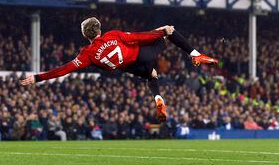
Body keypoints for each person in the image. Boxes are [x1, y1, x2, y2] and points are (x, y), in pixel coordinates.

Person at [20, 17, 218, 123]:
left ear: (86, 35)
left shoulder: (87, 54)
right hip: (141, 55)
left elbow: (65, 69)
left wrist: (38, 78)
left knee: (152, 76)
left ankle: (158, 99)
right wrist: (160, 33)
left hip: (129, 68)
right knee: (168, 29)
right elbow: (141, 38)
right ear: (99, 30)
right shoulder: (113, 36)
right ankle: (195, 54)